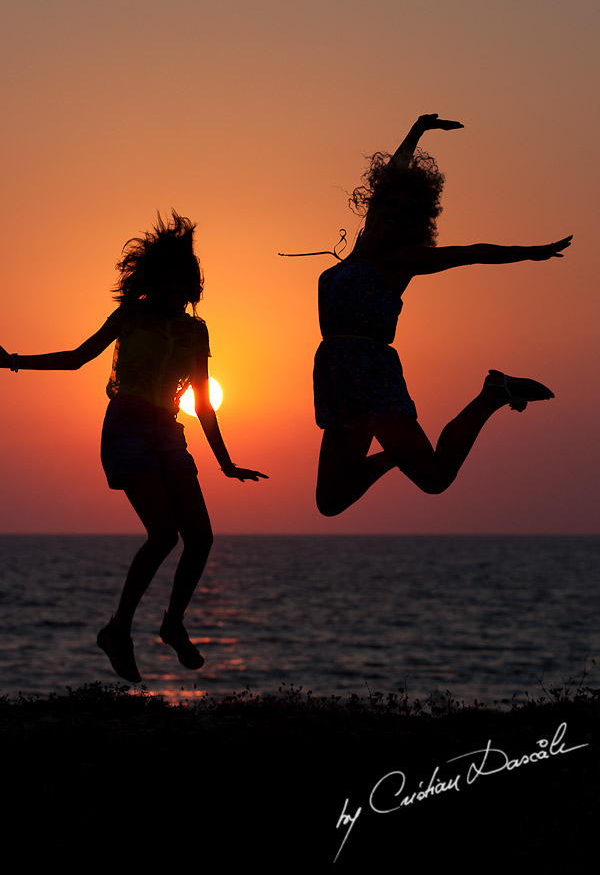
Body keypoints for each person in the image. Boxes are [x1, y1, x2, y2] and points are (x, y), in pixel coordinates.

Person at [1, 211, 267, 681]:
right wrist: (13, 361)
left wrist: (226, 463)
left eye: (183, 279)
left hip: (168, 430)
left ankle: (172, 624)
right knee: (164, 533)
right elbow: (78, 358)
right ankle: (117, 631)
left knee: (200, 537)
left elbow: (204, 402)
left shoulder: (195, 330)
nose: (175, 286)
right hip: (126, 427)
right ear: (153, 280)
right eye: (167, 277)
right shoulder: (130, 316)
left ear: (191, 285)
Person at [313, 114, 572, 517]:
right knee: (329, 501)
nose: (393, 214)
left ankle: (492, 395)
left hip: (370, 377)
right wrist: (416, 130)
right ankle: (400, 454)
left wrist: (530, 252)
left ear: (415, 222)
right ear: (376, 203)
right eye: (389, 205)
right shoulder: (363, 245)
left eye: (405, 211)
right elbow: (394, 174)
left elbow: (471, 253)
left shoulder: (401, 259)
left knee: (434, 478)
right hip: (335, 376)